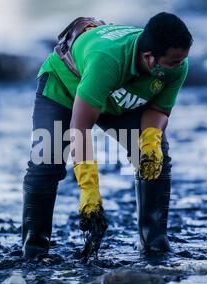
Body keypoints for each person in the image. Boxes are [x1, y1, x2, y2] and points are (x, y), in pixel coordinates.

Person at [21, 12, 193, 261]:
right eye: (173, 63)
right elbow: (80, 128)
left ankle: (154, 244)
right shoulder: (108, 59)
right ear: (148, 58)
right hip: (64, 85)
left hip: (116, 96)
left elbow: (158, 110)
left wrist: (150, 139)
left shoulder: (177, 64)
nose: (179, 68)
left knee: (155, 157)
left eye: (182, 61)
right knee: (46, 160)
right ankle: (34, 250)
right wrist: (89, 189)